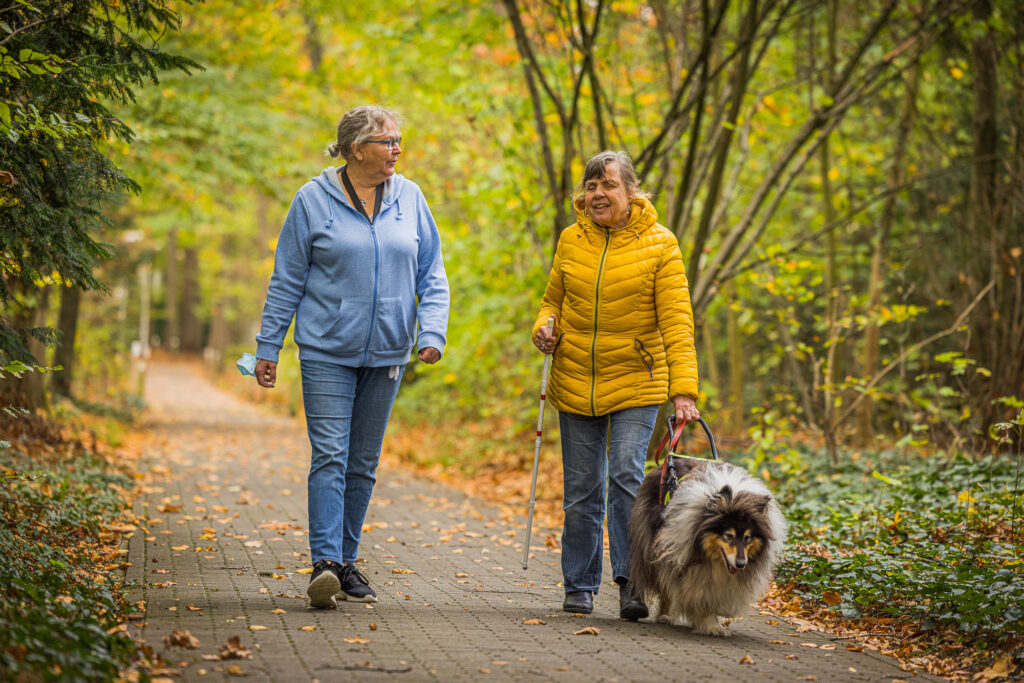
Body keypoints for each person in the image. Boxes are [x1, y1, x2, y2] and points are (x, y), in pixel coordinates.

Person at [252, 105, 449, 608]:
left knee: (362, 463)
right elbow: (287, 279)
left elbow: (432, 273)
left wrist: (432, 331)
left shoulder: (410, 197)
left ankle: (346, 561)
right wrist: (268, 347)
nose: (397, 150)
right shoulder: (311, 200)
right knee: (331, 456)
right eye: (388, 142)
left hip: (388, 352)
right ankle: (324, 563)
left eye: (399, 140)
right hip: (325, 351)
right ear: (357, 147)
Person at [532, 150, 699, 620]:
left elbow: (677, 322)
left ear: (630, 192)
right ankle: (579, 585)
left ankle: (632, 584)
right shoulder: (571, 239)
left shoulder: (661, 244)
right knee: (582, 487)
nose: (597, 194)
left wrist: (684, 390)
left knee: (627, 477)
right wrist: (545, 327)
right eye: (590, 186)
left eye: (607, 185)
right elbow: (552, 302)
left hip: (636, 381)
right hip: (576, 379)